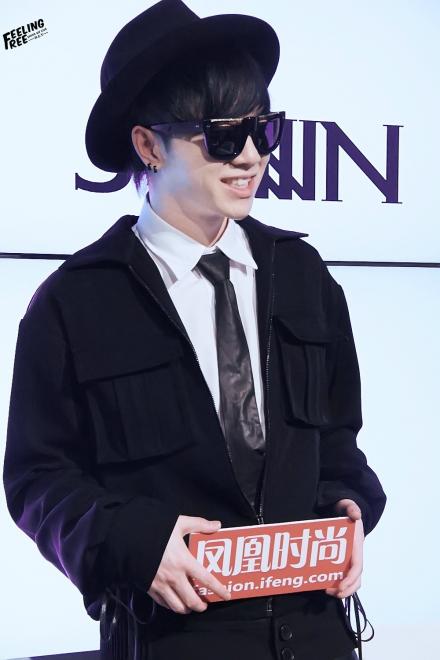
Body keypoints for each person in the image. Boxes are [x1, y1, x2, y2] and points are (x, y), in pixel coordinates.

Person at [2, 1, 386, 659]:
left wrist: (347, 503)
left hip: (316, 631)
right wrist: (132, 544)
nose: (252, 157)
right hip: (174, 638)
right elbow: (38, 479)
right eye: (223, 136)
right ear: (149, 145)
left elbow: (336, 436)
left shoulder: (303, 274)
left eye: (264, 130)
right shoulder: (75, 301)